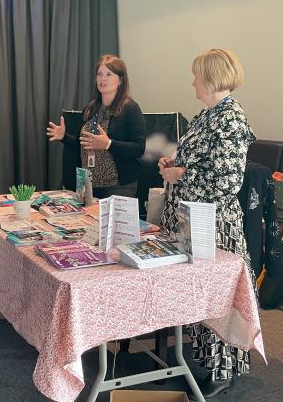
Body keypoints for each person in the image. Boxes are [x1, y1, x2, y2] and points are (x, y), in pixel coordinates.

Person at [158, 49, 256, 398]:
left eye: (197, 76)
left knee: (217, 301)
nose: (193, 82)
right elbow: (199, 161)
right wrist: (176, 162)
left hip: (216, 227)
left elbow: (226, 183)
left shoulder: (230, 119)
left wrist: (180, 174)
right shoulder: (207, 114)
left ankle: (223, 370)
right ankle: (207, 362)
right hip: (194, 222)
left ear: (212, 79)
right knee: (201, 299)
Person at [47, 55, 146, 199]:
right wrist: (64, 137)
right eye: (99, 74)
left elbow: (138, 148)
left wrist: (109, 144)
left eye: (108, 74)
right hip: (87, 185)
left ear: (120, 80)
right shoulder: (91, 108)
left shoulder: (130, 109)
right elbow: (84, 145)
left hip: (117, 187)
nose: (102, 79)